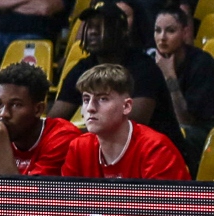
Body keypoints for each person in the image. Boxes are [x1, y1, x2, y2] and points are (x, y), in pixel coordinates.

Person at [51, 4, 186, 153]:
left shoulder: (143, 67)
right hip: (111, 154)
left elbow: (131, 126)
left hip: (157, 154)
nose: (93, 32)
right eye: (90, 26)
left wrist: (75, 137)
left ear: (121, 31)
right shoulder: (83, 68)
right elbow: (55, 121)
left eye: (102, 26)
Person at [150, 3, 214, 169]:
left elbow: (187, 120)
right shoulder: (151, 61)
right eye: (157, 30)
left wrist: (169, 76)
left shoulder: (202, 64)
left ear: (185, 32)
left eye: (170, 31)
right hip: (187, 128)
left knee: (176, 136)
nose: (162, 37)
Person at [60, 63, 189, 180]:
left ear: (126, 106)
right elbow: (66, 203)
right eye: (86, 99)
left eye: (103, 99)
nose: (90, 108)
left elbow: (163, 206)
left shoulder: (157, 149)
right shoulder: (78, 147)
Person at [0, 62, 80, 176]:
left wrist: (1, 137)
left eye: (16, 105)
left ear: (39, 109)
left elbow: (19, 200)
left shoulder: (63, 138)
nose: (3, 114)